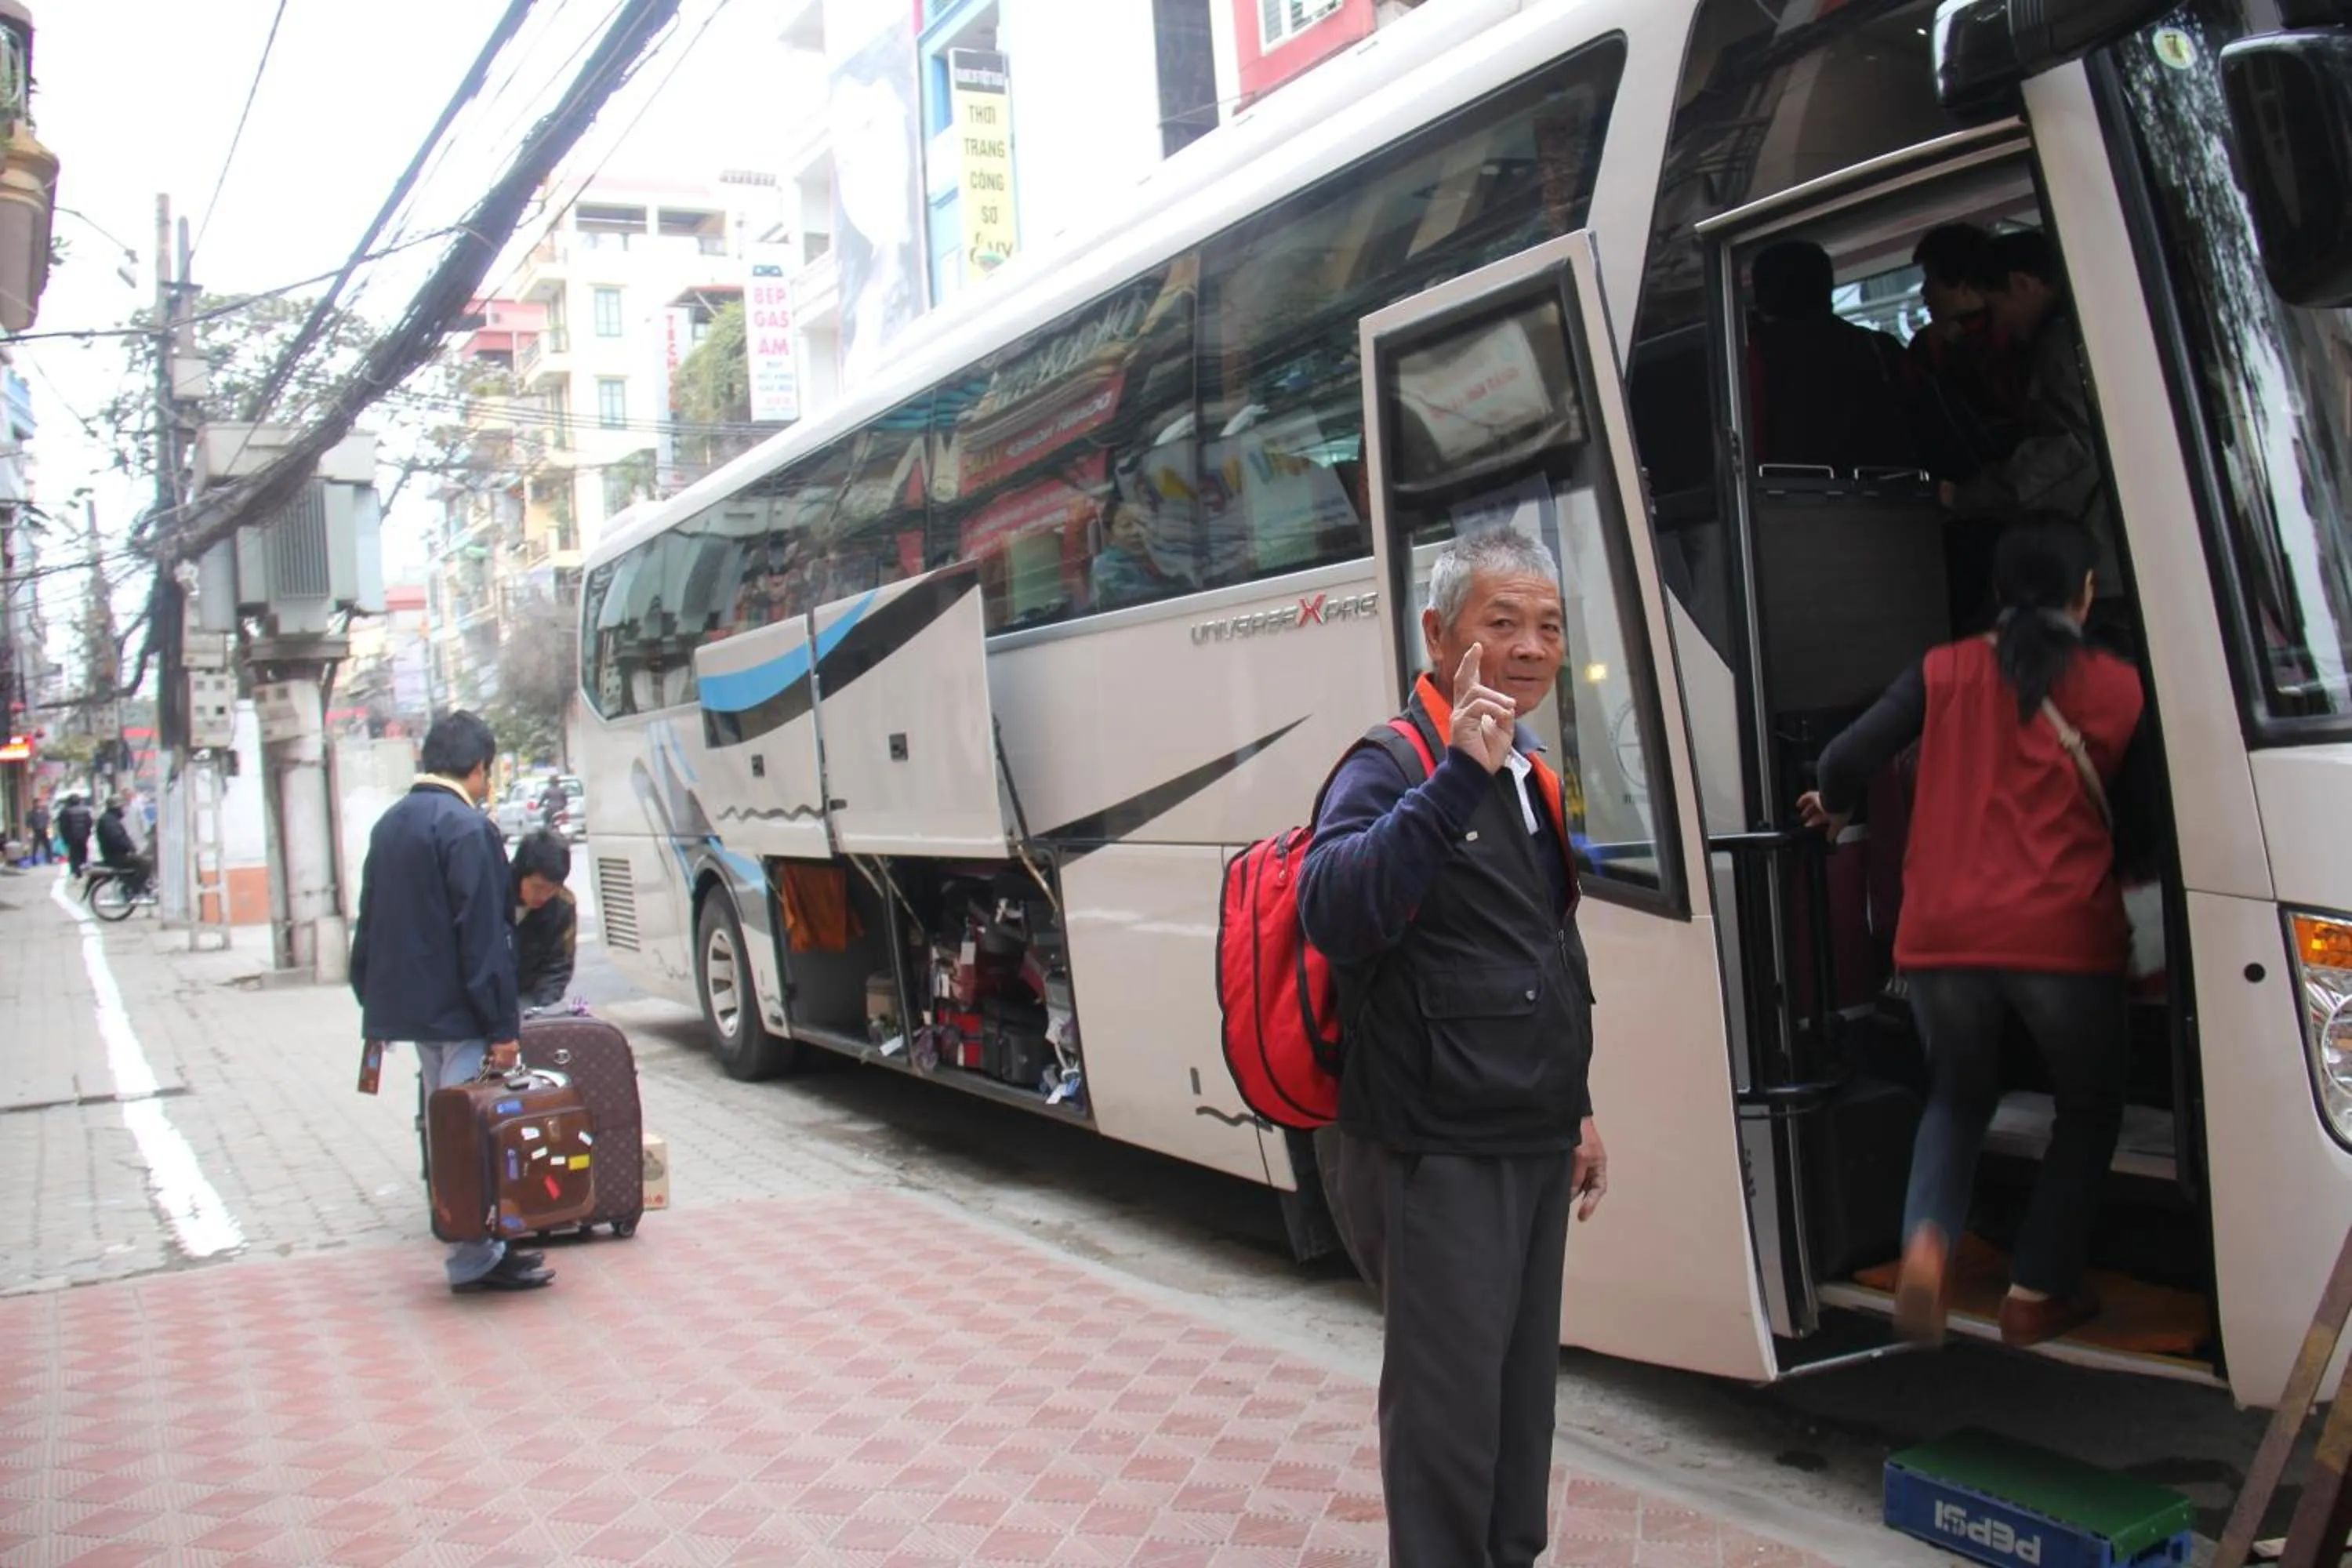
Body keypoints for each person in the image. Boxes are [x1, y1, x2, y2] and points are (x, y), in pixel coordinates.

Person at [1300, 529, 1607, 1568]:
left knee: (1522, 1411)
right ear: (1439, 637)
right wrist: (1452, 782)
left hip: (1528, 1128)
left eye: (1549, 627)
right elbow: (1335, 908)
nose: (1530, 648)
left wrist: (1582, 1109)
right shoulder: (1392, 762)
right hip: (1434, 1143)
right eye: (1503, 623)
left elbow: (1546, 943)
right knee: (1447, 1420)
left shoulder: (1532, 772)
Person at [1798, 521, 2154, 1350]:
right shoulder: (2121, 687)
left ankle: (1927, 1249)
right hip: (2063, 936)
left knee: (1958, 1094)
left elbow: (1844, 758)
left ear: (1998, 594)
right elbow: (2142, 828)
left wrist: (1840, 809)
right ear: (2087, 593)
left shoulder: (1944, 669)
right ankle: (2038, 1287)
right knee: (2091, 1104)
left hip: (1939, 936)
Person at [350, 710, 550, 1294]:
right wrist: (502, 1024)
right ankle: (474, 1254)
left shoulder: (390, 825)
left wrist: (372, 1002)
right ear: (478, 767)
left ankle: (479, 1241)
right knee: (470, 1130)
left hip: (413, 1010)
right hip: (461, 1011)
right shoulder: (467, 828)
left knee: (446, 1121)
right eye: (488, 772)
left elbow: (371, 922)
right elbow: (484, 934)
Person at [1944, 229, 2121, 597]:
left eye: (1996, 308)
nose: (1999, 325)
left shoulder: (2061, 347)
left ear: (2022, 284)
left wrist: (1966, 497)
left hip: (2105, 560)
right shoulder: (2102, 326)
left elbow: (2065, 452)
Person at [1745, 239, 1917, 472]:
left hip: (1789, 500)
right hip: (1893, 496)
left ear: (1764, 299)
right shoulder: (1879, 346)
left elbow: (1749, 441)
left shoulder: (1755, 356)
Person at [511, 829, 578, 1011]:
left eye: (553, 889)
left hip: (530, 996)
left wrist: (542, 1009)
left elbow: (559, 965)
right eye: (538, 887)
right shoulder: (488, 894)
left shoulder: (562, 904)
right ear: (520, 873)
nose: (544, 896)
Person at [94, 795, 150, 897]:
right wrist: (130, 848)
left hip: (114, 854)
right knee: (146, 863)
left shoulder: (109, 819)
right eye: (122, 807)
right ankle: (134, 889)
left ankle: (137, 886)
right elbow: (118, 839)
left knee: (142, 861)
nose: (124, 810)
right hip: (116, 856)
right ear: (116, 808)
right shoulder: (109, 821)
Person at [56, 793, 92, 877]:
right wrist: (87, 834)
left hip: (71, 837)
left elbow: (63, 826)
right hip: (83, 836)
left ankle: (75, 870)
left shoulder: (65, 811)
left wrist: (65, 838)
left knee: (74, 854)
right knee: (83, 851)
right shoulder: (85, 810)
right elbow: (89, 823)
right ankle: (83, 867)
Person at [24, 800, 49, 866]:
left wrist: (48, 829)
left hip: (44, 831)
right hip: (35, 831)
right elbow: (28, 823)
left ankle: (49, 859)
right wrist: (29, 832)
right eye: (37, 803)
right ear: (34, 804)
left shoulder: (44, 812)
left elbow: (48, 820)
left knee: (48, 845)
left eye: (40, 803)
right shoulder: (31, 813)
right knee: (35, 847)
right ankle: (34, 861)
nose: (39, 805)